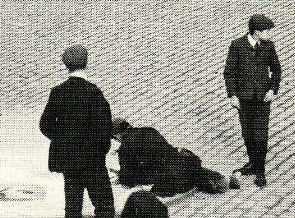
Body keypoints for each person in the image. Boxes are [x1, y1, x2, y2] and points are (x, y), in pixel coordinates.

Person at [39, 44, 115, 218]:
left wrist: (64, 141)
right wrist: (98, 152)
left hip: (69, 163)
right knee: (103, 205)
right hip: (92, 163)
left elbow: (45, 124)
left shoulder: (58, 92)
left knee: (72, 207)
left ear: (66, 65)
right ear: (86, 63)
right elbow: (103, 131)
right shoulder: (94, 94)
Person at [224, 14, 282, 188]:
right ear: (256, 32)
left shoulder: (269, 46)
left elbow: (277, 70)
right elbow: (229, 72)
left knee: (261, 134)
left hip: (263, 98)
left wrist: (273, 90)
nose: (269, 34)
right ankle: (252, 163)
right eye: (266, 31)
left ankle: (260, 171)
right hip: (244, 98)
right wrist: (233, 95)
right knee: (248, 133)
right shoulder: (237, 45)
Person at [113, 118, 228, 196]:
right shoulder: (149, 130)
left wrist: (121, 176)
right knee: (182, 167)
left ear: (118, 134)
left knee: (149, 175)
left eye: (114, 138)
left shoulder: (125, 147)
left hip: (170, 180)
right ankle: (212, 180)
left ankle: (205, 182)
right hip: (182, 164)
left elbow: (127, 178)